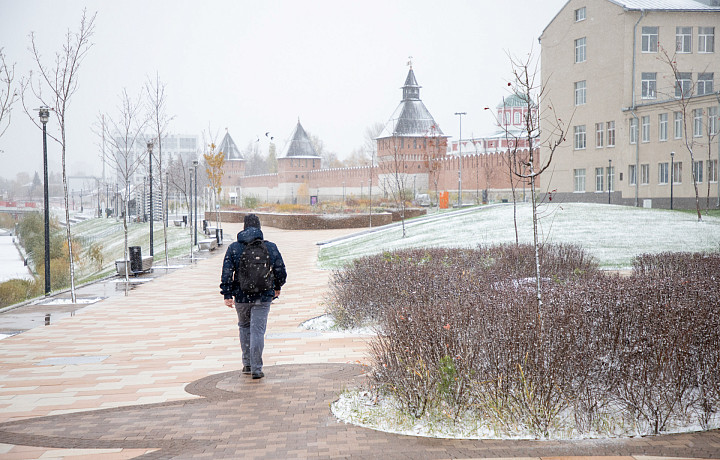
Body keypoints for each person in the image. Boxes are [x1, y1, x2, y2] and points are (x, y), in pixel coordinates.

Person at [220, 214, 286, 379]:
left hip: (241, 297)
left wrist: (227, 294)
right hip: (263, 296)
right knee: (257, 331)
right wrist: (277, 287)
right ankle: (256, 368)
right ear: (259, 228)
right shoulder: (270, 247)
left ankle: (247, 363)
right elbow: (280, 270)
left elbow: (227, 272)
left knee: (244, 327)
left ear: (244, 227)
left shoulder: (234, 248)